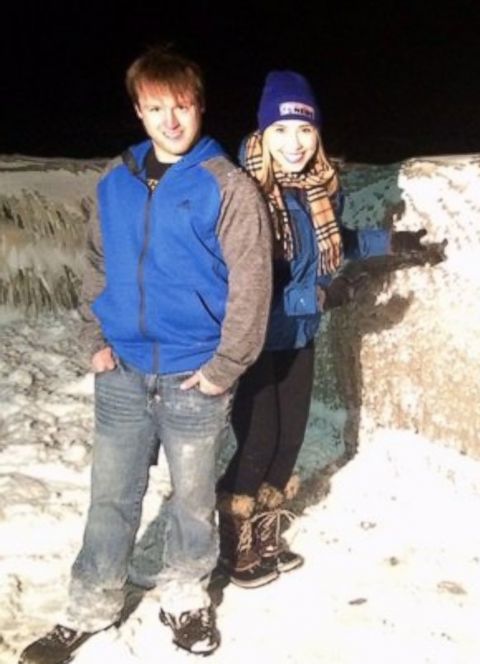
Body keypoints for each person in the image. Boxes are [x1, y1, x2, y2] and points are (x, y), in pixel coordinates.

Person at [20, 47, 273, 663]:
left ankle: (184, 597)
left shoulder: (227, 187)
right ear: (138, 111)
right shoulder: (117, 180)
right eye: (155, 108)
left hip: (195, 374)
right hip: (123, 372)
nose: (170, 120)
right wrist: (95, 342)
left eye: (181, 107)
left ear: (199, 107)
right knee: (110, 495)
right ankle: (90, 606)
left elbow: (253, 282)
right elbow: (98, 265)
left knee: (191, 501)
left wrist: (223, 368)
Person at [216, 70, 444, 588]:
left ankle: (267, 532)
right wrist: (318, 293)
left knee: (289, 438)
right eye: (281, 131)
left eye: (303, 131)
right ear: (262, 134)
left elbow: (334, 241)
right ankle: (234, 541)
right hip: (254, 340)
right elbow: (247, 281)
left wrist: (394, 242)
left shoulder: (317, 190)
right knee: (258, 440)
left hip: (299, 333)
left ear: (316, 134)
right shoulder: (245, 194)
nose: (293, 144)